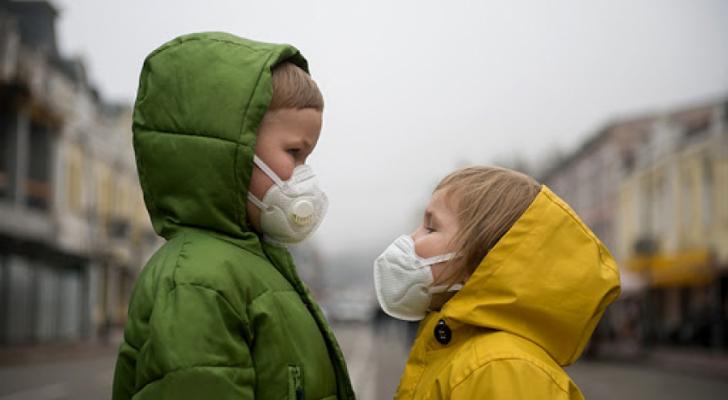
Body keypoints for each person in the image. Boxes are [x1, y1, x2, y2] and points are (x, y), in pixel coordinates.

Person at [112, 32, 354, 400]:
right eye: (293, 152)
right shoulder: (197, 282)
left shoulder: (255, 262)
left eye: (307, 158)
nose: (303, 174)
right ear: (232, 149)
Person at [374, 166, 621, 399]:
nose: (411, 239)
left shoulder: (499, 368)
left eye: (430, 227)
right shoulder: (467, 350)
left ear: (483, 257)